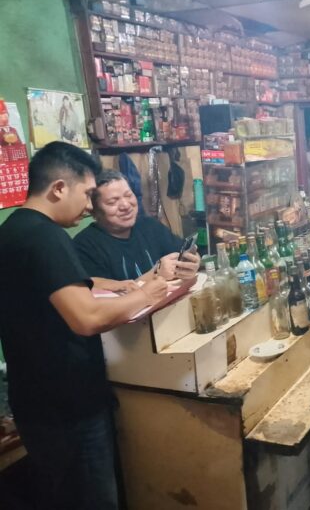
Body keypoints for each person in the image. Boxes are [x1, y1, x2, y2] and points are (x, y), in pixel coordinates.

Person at [0, 141, 168, 510]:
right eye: (88, 194)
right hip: (67, 408)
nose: (90, 206)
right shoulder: (46, 237)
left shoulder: (12, 230)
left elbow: (66, 296)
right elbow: (87, 318)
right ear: (59, 188)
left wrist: (124, 287)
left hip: (36, 402)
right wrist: (147, 292)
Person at [73, 170, 200, 282]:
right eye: (112, 202)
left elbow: (182, 252)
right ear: (94, 211)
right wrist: (155, 274)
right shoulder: (84, 246)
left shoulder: (150, 226)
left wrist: (192, 263)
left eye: (128, 195)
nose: (125, 205)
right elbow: (102, 297)